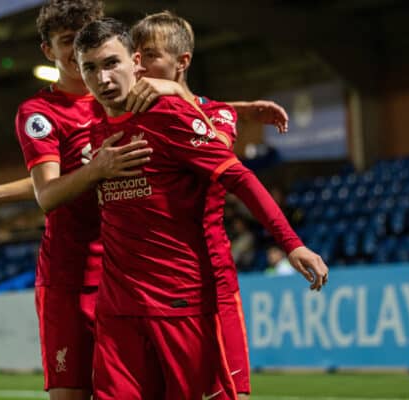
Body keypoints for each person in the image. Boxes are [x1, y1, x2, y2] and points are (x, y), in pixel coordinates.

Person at [74, 17, 328, 399]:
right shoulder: (94, 129)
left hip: (184, 295)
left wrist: (292, 243)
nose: (103, 77)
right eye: (90, 68)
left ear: (135, 61)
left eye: (112, 63)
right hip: (118, 307)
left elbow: (238, 176)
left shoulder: (175, 115)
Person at [0, 2, 151, 399]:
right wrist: (97, 169)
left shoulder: (120, 95)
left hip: (126, 275)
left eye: (85, 36)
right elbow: (51, 192)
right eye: (66, 41)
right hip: (71, 278)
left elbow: (71, 173)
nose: (79, 49)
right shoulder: (39, 113)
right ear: (48, 51)